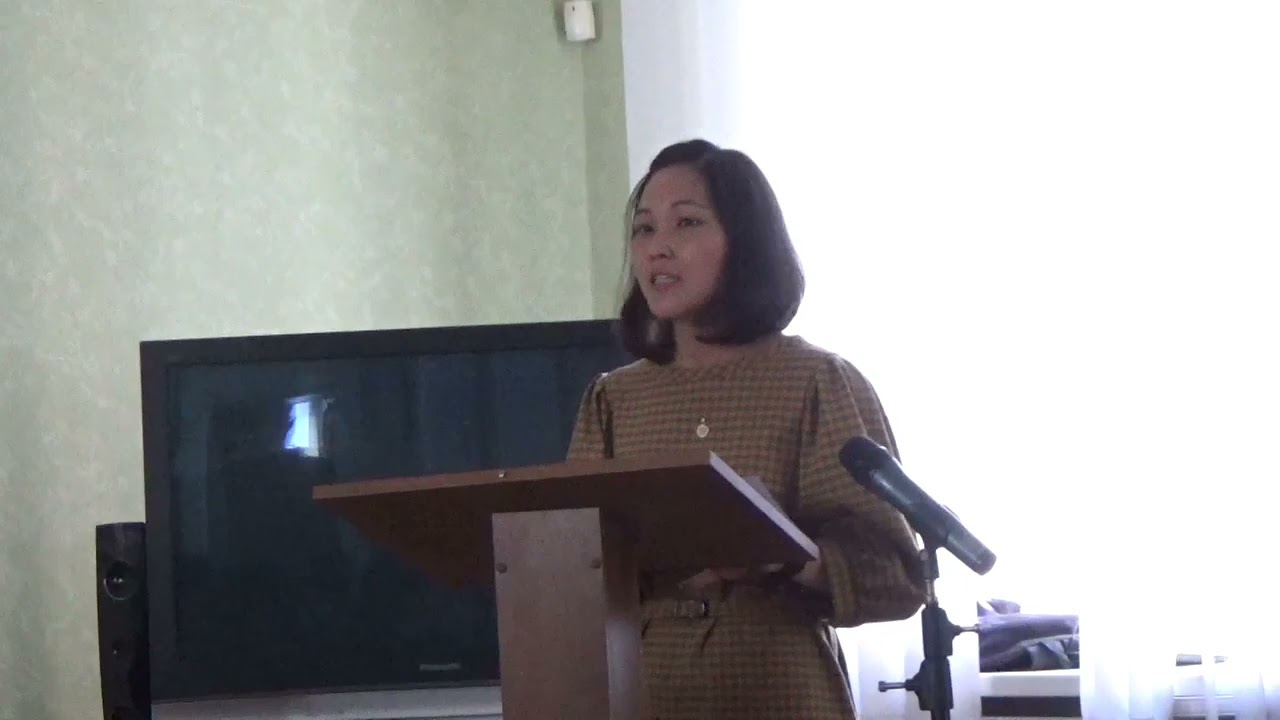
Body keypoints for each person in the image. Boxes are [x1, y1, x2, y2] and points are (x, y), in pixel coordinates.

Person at [566, 138, 927, 719]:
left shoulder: (816, 382)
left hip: (778, 686)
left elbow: (896, 578)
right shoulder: (613, 398)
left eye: (686, 223)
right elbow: (572, 564)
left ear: (746, 243)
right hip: (646, 691)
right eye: (644, 229)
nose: (658, 248)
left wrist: (783, 557)